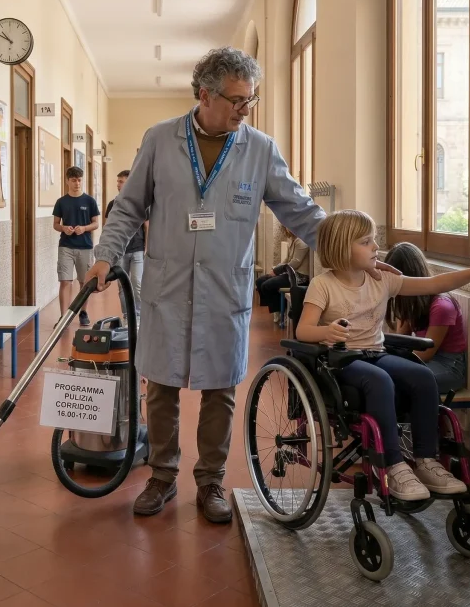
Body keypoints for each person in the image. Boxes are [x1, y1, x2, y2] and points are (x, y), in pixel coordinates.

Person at [85, 47, 400, 523]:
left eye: (250, 100)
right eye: (236, 99)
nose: (244, 109)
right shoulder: (159, 140)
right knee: (162, 387)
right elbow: (128, 208)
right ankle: (162, 476)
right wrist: (105, 256)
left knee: (220, 390)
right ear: (204, 94)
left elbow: (302, 212)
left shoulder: (260, 149)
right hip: (169, 288)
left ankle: (210, 482)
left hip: (224, 290)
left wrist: (354, 251)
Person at [294, 210, 470, 501]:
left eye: (373, 241)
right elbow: (302, 331)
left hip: (376, 352)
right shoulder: (324, 285)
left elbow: (434, 285)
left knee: (421, 375)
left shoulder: (382, 279)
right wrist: (326, 332)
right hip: (340, 361)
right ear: (344, 248)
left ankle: (426, 460)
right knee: (380, 380)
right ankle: (394, 465)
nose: (375, 247)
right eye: (366, 242)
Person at [385, 241, 468, 394]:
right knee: (384, 375)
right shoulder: (412, 301)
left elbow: (426, 353)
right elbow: (402, 340)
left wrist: (394, 358)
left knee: (395, 381)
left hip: (449, 366)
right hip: (425, 360)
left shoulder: (442, 306)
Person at [53, 166, 100, 327]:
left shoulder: (89, 201)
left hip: (85, 247)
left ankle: (83, 312)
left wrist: (84, 228)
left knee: (84, 282)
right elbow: (55, 224)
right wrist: (64, 228)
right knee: (65, 281)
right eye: (73, 180)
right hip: (66, 246)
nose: (77, 183)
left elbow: (96, 223)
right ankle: (63, 317)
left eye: (79, 180)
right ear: (67, 181)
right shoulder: (61, 202)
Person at [105, 170, 148, 326]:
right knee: (123, 286)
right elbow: (108, 227)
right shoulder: (113, 204)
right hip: (120, 251)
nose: (118, 185)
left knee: (137, 283)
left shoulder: (141, 203)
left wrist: (146, 247)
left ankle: (138, 316)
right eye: (117, 181)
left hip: (137, 249)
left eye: (121, 181)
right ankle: (126, 316)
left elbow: (146, 226)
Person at [255, 226, 311, 324]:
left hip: (299, 277)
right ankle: (275, 308)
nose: (287, 229)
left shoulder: (301, 241)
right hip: (290, 272)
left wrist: (277, 271)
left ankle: (281, 311)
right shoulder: (294, 240)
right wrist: (276, 268)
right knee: (260, 281)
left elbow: (295, 262)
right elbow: (287, 259)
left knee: (267, 285)